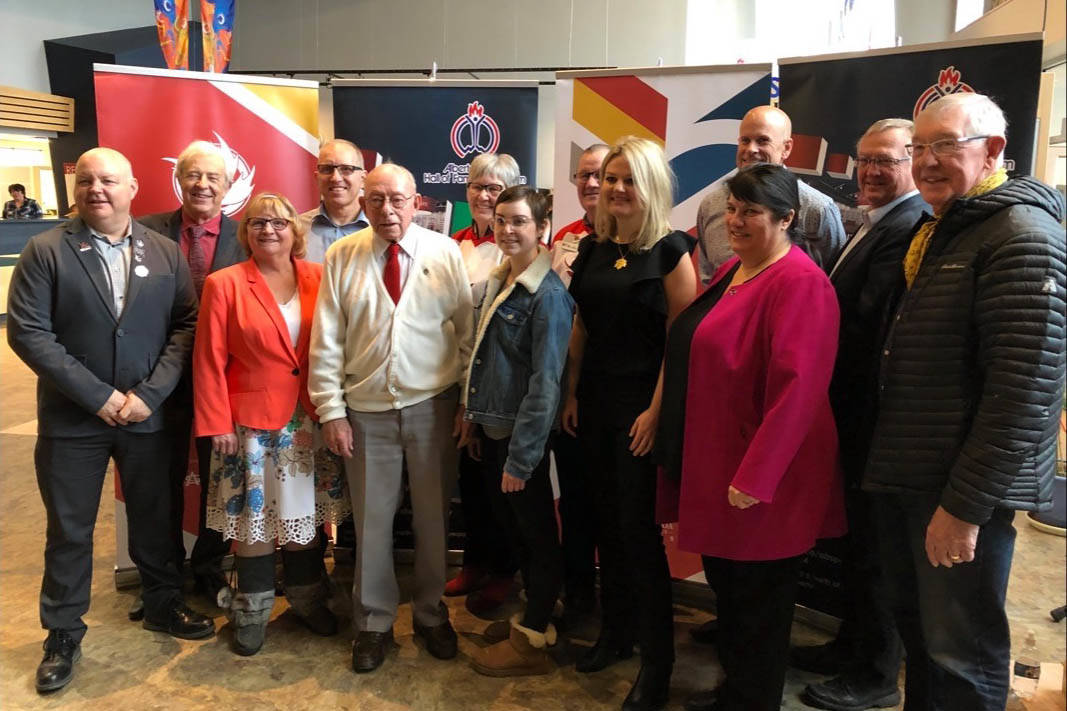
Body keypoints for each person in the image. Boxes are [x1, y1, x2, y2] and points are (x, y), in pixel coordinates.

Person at [864, 93, 1066, 711]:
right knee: (926, 642)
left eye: (945, 145)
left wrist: (966, 506)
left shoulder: (1021, 236)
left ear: (994, 150)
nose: (926, 161)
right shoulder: (947, 226)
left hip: (958, 490)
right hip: (918, 474)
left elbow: (1025, 392)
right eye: (919, 147)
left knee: (963, 655)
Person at [6, 147, 214, 694]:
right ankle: (63, 634)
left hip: (148, 415)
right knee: (69, 531)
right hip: (72, 420)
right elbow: (29, 333)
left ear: (133, 188)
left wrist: (151, 394)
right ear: (76, 191)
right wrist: (98, 396)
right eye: (88, 181)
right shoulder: (45, 250)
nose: (97, 189)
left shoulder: (164, 252)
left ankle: (163, 604)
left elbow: (186, 325)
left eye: (109, 180)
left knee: (156, 516)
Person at [657, 163, 845, 711]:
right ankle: (734, 692)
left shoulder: (801, 284)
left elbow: (799, 391)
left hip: (763, 480)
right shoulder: (737, 270)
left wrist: (757, 476)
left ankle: (750, 700)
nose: (735, 221)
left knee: (759, 605)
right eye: (732, 209)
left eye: (751, 212)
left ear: (787, 218)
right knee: (733, 595)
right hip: (719, 463)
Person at [309, 163, 474, 674]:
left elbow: (466, 335)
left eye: (397, 200)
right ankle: (374, 622)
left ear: (415, 201)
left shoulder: (444, 253)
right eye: (376, 199)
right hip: (365, 414)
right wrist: (331, 411)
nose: (387, 210)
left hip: (433, 407)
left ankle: (429, 615)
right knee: (373, 523)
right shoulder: (342, 256)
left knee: (432, 520)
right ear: (362, 200)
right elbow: (327, 339)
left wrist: (467, 401)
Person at [791, 119, 926, 711]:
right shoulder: (877, 222)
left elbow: (866, 324)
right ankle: (851, 645)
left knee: (876, 553)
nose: (869, 172)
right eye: (864, 160)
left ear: (914, 161)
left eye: (885, 161)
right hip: (850, 417)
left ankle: (875, 675)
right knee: (859, 547)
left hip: (874, 420)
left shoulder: (908, 226)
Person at [563, 136, 697, 711]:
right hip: (592, 407)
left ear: (651, 187)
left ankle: (658, 665)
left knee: (640, 540)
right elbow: (583, 328)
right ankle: (616, 635)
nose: (615, 189)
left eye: (628, 180)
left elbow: (681, 341)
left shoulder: (672, 251)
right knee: (605, 531)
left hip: (642, 412)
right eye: (610, 179)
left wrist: (656, 412)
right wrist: (570, 393)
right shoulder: (592, 249)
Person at [193, 192, 350, 656]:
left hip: (310, 419)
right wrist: (216, 422)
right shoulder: (225, 283)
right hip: (250, 427)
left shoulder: (318, 277)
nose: (269, 230)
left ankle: (306, 600)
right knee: (255, 524)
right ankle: (252, 611)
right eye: (258, 223)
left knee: (304, 517)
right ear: (246, 232)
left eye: (279, 222)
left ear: (295, 231)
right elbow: (207, 360)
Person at [462, 185, 574, 677]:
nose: (508, 229)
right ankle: (531, 616)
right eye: (502, 219)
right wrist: (471, 421)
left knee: (536, 538)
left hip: (517, 440)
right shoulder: (499, 279)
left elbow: (545, 384)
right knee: (514, 534)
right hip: (491, 430)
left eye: (520, 222)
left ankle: (531, 638)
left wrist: (521, 458)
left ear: (542, 228)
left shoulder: (547, 296)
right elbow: (484, 362)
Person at [137, 140, 245, 614]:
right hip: (157, 381)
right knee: (157, 483)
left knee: (221, 482)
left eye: (213, 177)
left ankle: (208, 566)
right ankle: (162, 580)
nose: (203, 185)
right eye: (193, 175)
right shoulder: (142, 232)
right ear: (178, 180)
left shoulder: (250, 236)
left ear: (228, 186)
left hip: (223, 384)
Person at [446, 152, 523, 613]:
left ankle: (503, 570)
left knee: (501, 486)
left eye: (495, 188)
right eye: (477, 186)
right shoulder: (451, 241)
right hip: (459, 379)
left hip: (502, 383)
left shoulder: (521, 245)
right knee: (470, 482)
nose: (484, 195)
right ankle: (474, 561)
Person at [548, 143, 608, 616]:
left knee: (616, 504)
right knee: (574, 498)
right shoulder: (563, 238)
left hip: (620, 391)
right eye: (584, 175)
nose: (592, 184)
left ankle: (621, 599)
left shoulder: (645, 239)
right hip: (569, 390)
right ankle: (579, 593)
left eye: (602, 175)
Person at [694, 105, 846, 283]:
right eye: (745, 140)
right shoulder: (711, 204)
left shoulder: (817, 209)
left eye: (762, 141)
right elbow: (709, 277)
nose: (751, 149)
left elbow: (835, 280)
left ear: (787, 148)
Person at [301, 138, 369, 264]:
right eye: (327, 169)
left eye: (346, 169)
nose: (336, 178)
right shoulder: (296, 230)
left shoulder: (381, 230)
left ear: (363, 179)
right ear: (317, 178)